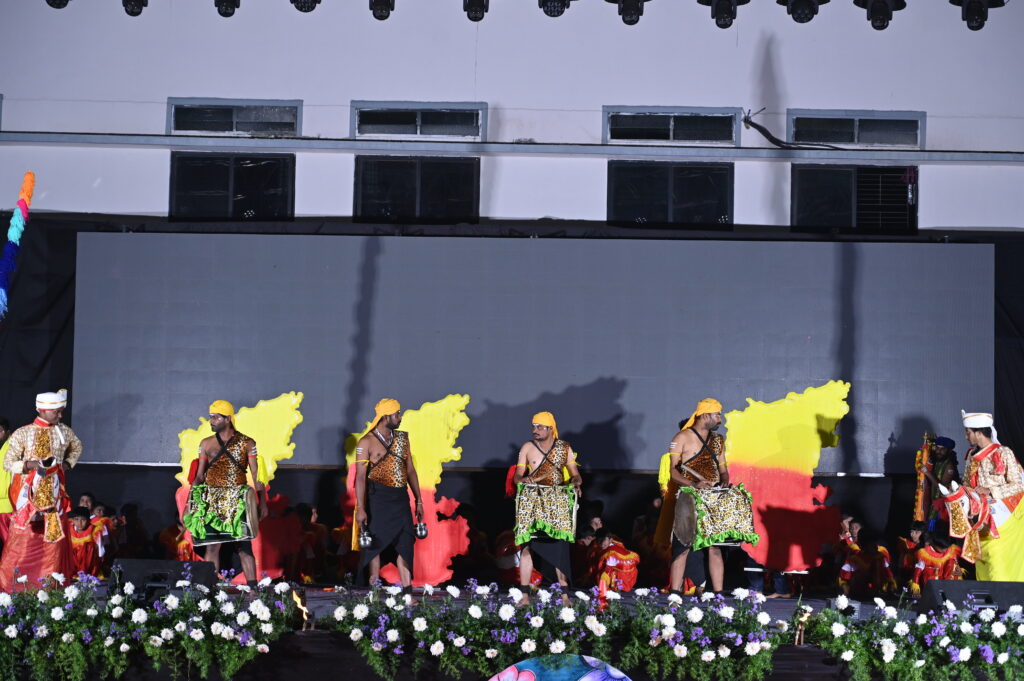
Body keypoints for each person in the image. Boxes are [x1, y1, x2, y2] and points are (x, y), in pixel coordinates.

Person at [0, 389, 82, 590]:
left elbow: (77, 447)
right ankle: (13, 587)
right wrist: (29, 465)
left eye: (61, 411)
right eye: (57, 412)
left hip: (55, 495)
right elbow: (8, 462)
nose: (60, 415)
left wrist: (67, 464)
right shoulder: (23, 433)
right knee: (22, 541)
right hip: (28, 495)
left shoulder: (64, 432)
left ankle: (49, 588)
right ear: (43, 410)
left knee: (53, 542)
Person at [184, 400, 267, 583]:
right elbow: (199, 477)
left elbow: (257, 475)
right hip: (212, 501)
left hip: (238, 500)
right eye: (210, 417)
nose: (211, 421)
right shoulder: (206, 443)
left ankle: (253, 589)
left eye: (216, 417)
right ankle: (209, 588)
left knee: (244, 547)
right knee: (212, 547)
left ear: (227, 419)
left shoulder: (247, 443)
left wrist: (263, 501)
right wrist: (189, 505)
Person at [655, 398, 731, 594]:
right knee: (683, 546)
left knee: (715, 547)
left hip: (713, 498)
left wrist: (724, 481)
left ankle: (718, 595)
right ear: (705, 415)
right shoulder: (681, 437)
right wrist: (693, 484)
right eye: (717, 415)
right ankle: (675, 594)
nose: (720, 419)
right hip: (689, 497)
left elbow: (723, 469)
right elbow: (673, 471)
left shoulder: (718, 440)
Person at [352, 398, 424, 589]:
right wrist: (361, 508)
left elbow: (410, 470)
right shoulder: (366, 442)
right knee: (375, 545)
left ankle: (407, 591)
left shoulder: (402, 439)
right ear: (385, 416)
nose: (400, 417)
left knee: (405, 542)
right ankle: (374, 590)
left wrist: (419, 500)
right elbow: (360, 477)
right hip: (378, 500)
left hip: (400, 499)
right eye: (397, 414)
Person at [511, 411, 583, 602]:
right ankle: (524, 595)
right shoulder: (527, 447)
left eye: (540, 427)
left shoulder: (564, 447)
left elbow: (575, 474)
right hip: (531, 500)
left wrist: (575, 482)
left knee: (560, 548)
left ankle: (565, 596)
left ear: (551, 429)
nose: (535, 430)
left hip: (556, 501)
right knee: (526, 547)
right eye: (533, 426)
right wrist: (522, 479)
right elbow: (517, 475)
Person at [946, 411, 1024, 581]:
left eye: (968, 432)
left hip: (1003, 518)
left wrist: (991, 491)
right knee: (983, 565)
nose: (966, 436)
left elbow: (1018, 485)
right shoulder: (971, 456)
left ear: (979, 432)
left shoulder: (1003, 452)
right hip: (979, 518)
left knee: (998, 565)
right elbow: (967, 484)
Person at [919, 436, 960, 531]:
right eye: (937, 448)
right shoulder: (936, 462)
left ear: (948, 451)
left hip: (942, 506)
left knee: (936, 532)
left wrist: (927, 472)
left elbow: (942, 488)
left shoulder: (949, 466)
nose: (939, 451)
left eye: (943, 449)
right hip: (934, 503)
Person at [67, 507, 102, 576]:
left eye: (83, 520)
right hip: (73, 560)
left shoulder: (94, 530)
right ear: (72, 521)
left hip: (89, 562)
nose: (80, 523)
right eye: (76, 519)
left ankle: (85, 574)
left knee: (89, 546)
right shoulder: (69, 530)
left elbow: (101, 550)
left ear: (89, 520)